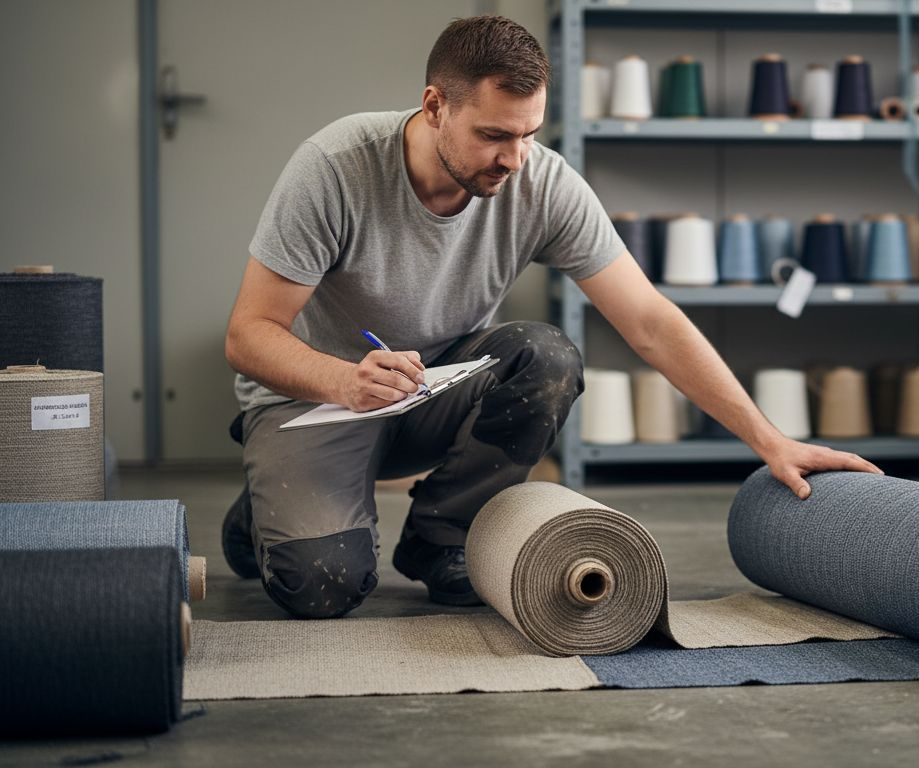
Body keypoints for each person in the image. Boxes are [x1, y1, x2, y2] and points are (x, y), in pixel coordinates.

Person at [223, 14, 881, 620]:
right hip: (318, 400)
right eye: (493, 135)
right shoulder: (335, 170)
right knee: (324, 586)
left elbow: (649, 321)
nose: (514, 158)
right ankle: (262, 509)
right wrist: (344, 381)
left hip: (433, 392)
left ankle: (439, 539)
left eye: (529, 134)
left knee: (547, 357)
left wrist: (770, 443)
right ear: (434, 107)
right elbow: (248, 336)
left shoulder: (540, 181)